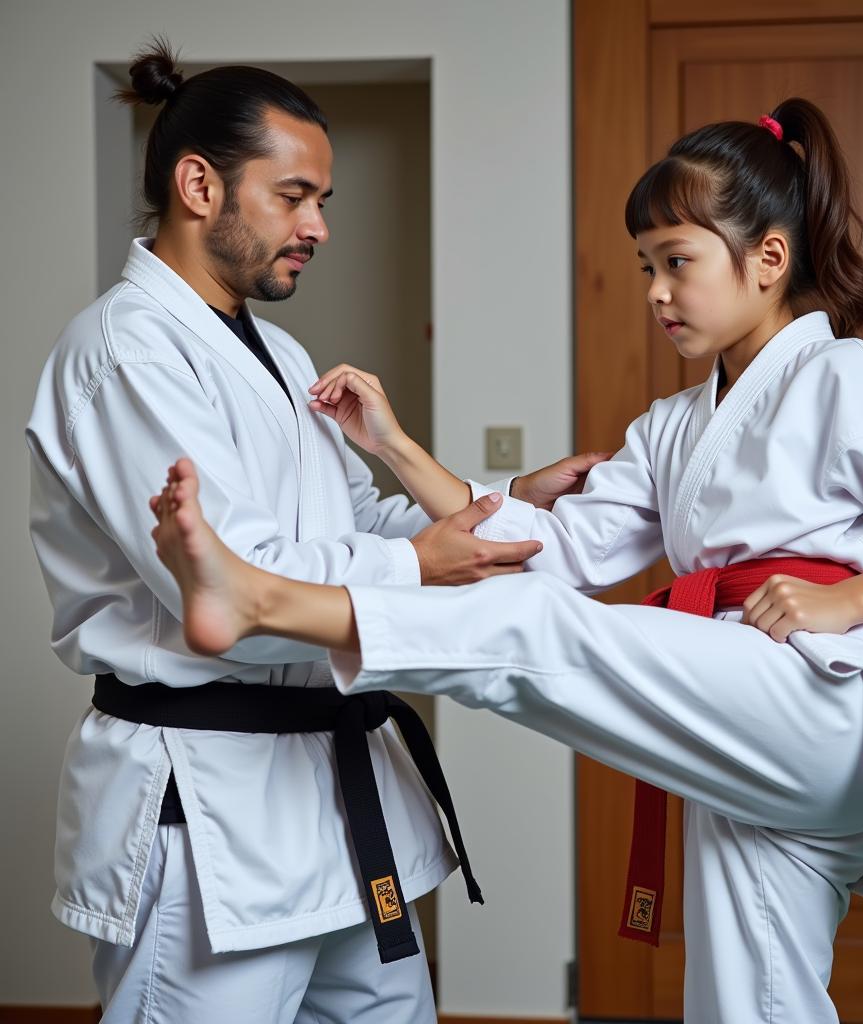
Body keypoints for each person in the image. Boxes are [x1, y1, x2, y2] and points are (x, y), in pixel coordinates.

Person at [148, 98, 863, 1023]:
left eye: (678, 262)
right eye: (647, 267)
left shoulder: (847, 375)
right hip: (736, 710)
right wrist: (396, 449)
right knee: (750, 998)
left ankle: (263, 601)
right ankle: (259, 596)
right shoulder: (674, 426)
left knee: (540, 631)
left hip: (827, 700)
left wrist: (851, 601)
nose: (654, 291)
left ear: (769, 259)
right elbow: (541, 551)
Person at [25, 39, 602, 1024]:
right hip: (211, 811)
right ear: (198, 185)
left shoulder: (279, 350)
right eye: (294, 196)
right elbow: (232, 582)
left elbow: (350, 524)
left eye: (321, 201)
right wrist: (420, 560)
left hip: (333, 801)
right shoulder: (126, 351)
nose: (318, 226)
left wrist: (504, 499)